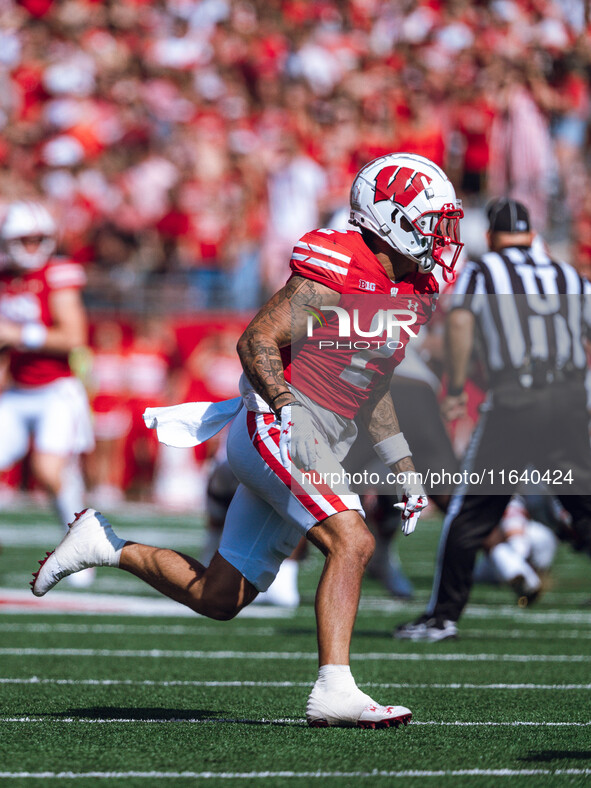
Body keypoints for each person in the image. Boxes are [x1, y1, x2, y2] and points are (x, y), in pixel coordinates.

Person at [30, 153, 464, 728]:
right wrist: (286, 410)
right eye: (432, 223)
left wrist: (402, 464)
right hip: (277, 425)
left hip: (316, 436)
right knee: (353, 541)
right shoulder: (341, 263)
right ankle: (335, 689)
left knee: (219, 597)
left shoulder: (408, 287)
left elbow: (371, 383)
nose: (442, 239)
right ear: (390, 217)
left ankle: (104, 545)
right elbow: (256, 339)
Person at [395, 197, 591, 642]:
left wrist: (459, 388)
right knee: (582, 503)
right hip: (568, 398)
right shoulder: (567, 275)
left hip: (516, 400)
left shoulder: (484, 272)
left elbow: (460, 322)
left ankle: (442, 617)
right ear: (533, 234)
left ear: (490, 237)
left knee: (470, 509)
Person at [0, 200, 95, 585]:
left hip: (56, 390)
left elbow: (73, 336)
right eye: (25, 238)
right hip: (18, 392)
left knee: (47, 471)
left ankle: (82, 544)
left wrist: (18, 335)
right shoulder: (6, 277)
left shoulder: (56, 273)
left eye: (39, 238)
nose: (33, 245)